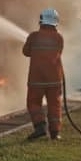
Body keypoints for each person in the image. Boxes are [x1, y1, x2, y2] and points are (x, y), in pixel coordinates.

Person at [22, 8, 64, 140]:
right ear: (55, 22)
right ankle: (55, 133)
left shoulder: (33, 36)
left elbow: (26, 52)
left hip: (36, 79)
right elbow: (58, 54)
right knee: (54, 104)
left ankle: (40, 127)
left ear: (41, 20)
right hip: (54, 79)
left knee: (34, 102)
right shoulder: (59, 38)